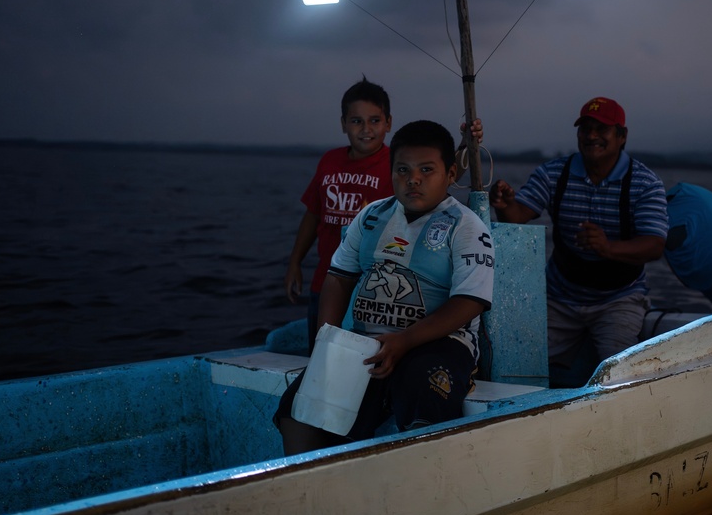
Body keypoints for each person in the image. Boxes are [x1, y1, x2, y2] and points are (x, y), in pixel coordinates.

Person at [275, 120, 495, 454]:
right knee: (298, 410)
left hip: (440, 342)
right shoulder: (371, 216)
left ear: (450, 174)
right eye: (402, 170)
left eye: (426, 169)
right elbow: (338, 277)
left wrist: (404, 341)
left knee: (423, 397)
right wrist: (329, 339)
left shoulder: (466, 227)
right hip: (368, 341)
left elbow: (470, 301)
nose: (413, 179)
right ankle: (310, 490)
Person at [283, 77, 481, 352]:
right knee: (321, 349)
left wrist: (465, 143)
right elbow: (313, 214)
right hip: (329, 278)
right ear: (343, 123)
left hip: (377, 285)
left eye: (374, 121)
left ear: (388, 123)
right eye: (356, 121)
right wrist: (295, 262)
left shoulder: (399, 165)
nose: (366, 129)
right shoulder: (329, 161)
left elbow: (439, 177)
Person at [489, 96, 668, 374]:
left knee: (618, 371)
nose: (592, 136)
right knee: (518, 363)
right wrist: (504, 204)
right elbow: (518, 216)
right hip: (558, 297)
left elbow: (655, 245)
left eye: (601, 129)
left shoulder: (645, 183)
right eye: (585, 128)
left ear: (622, 136)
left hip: (619, 299)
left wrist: (608, 248)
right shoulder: (552, 174)